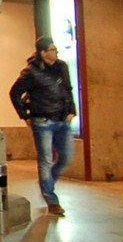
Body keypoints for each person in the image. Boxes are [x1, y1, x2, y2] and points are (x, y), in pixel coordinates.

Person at [9, 35, 77, 215]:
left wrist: (71, 110)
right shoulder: (31, 72)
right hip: (42, 120)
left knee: (66, 157)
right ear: (43, 52)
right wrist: (25, 115)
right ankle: (51, 198)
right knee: (46, 160)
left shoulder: (62, 67)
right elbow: (15, 93)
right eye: (53, 50)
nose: (56, 52)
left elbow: (67, 89)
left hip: (62, 119)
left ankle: (46, 183)